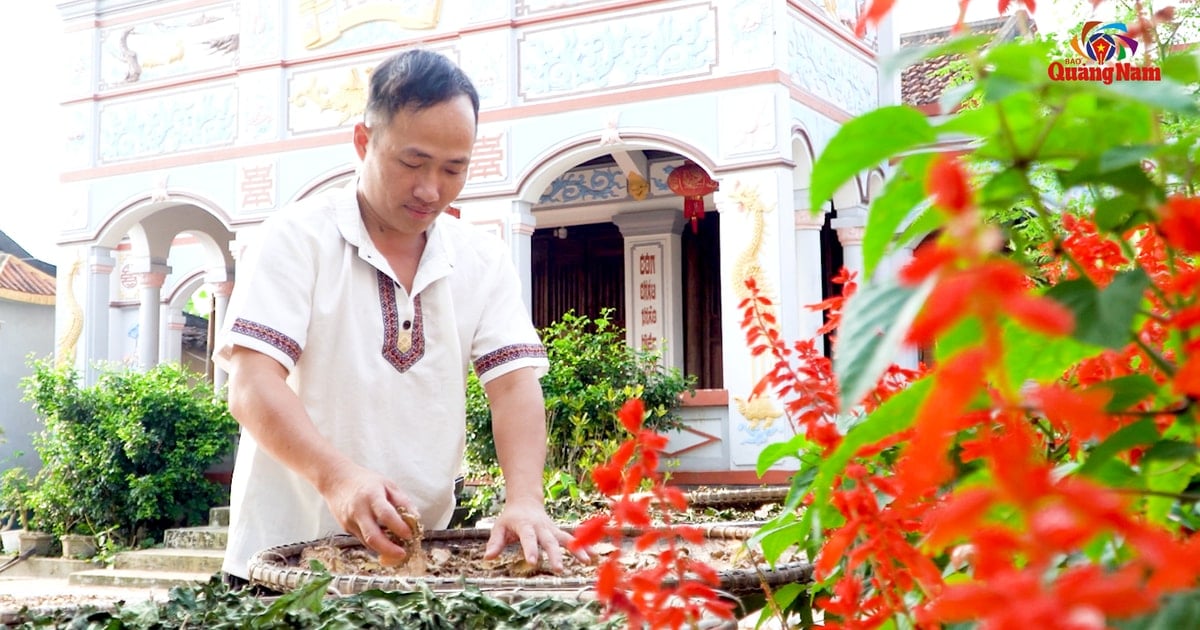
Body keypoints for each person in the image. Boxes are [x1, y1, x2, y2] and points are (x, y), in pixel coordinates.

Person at [213, 48, 581, 584]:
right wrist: (337, 478)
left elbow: (513, 387)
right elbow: (250, 384)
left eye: (454, 168)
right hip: (280, 564)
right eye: (412, 163)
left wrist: (524, 499)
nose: (431, 189)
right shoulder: (295, 238)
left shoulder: (480, 257)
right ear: (364, 142)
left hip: (416, 562)